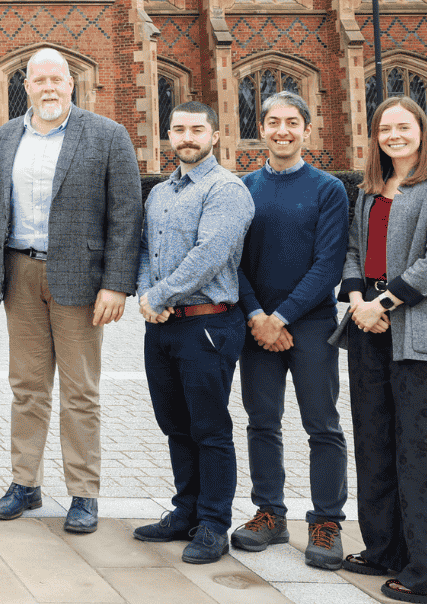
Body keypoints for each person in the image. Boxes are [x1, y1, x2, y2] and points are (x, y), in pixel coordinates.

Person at [0, 48, 142, 534]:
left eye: (57, 80)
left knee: (80, 392)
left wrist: (117, 283)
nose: (49, 88)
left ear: (73, 84)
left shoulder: (108, 136)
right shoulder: (5, 137)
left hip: (83, 281)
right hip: (19, 274)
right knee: (26, 388)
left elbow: (127, 215)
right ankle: (24, 483)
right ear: (24, 86)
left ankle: (84, 494)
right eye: (38, 80)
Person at [332, 97, 427, 604]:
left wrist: (382, 301)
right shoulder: (370, 192)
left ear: (422, 130)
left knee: (425, 455)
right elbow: (352, 249)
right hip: (368, 329)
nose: (394, 135)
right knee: (375, 446)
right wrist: (356, 301)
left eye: (403, 126)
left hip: (422, 336)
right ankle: (386, 548)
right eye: (384, 128)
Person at [230, 91, 350, 569]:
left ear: (306, 129)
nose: (282, 130)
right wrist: (257, 315)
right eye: (273, 122)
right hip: (256, 327)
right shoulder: (242, 188)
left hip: (312, 325)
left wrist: (280, 318)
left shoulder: (328, 189)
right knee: (262, 422)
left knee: (321, 424)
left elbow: (328, 265)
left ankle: (326, 521)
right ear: (261, 129)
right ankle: (269, 513)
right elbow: (231, 260)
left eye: (292, 122)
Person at [132, 101, 254, 565]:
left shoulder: (227, 189)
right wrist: (149, 295)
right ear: (168, 135)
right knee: (175, 425)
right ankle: (184, 512)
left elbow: (211, 254)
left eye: (196, 129)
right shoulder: (161, 192)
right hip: (163, 327)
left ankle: (213, 524)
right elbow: (144, 248)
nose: (186, 137)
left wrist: (160, 295)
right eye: (178, 129)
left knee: (209, 428)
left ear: (214, 136)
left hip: (208, 323)